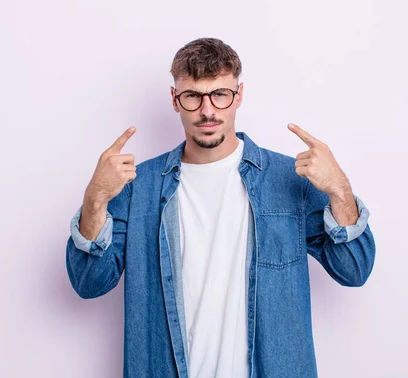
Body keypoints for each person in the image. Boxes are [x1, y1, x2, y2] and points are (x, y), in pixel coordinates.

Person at [66, 37, 375, 378]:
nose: (208, 110)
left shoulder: (288, 179)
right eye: (193, 96)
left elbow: (354, 269)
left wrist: (338, 189)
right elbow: (88, 282)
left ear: (238, 95)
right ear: (175, 100)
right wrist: (95, 198)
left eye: (220, 94)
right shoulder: (139, 186)